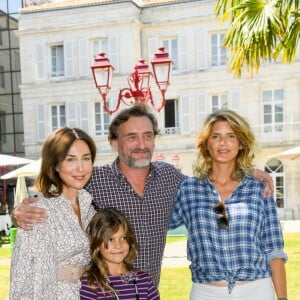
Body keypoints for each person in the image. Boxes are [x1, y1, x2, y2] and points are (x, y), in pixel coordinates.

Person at [12, 104, 274, 287]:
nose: (141, 144)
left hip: (148, 292)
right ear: (114, 143)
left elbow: (211, 184)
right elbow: (59, 192)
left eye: (147, 136)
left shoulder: (170, 178)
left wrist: (247, 169)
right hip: (102, 293)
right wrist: (24, 209)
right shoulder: (94, 179)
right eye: (132, 137)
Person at [169, 109, 287, 300]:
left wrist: (282, 297)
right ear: (207, 144)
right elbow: (158, 225)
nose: (223, 142)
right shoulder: (189, 189)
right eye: (216, 136)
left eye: (231, 136)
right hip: (206, 292)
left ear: (241, 144)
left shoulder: (259, 190)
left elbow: (274, 249)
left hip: (256, 291)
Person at [9, 127, 97, 299]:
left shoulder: (89, 208)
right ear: (55, 164)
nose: (80, 168)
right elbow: (22, 278)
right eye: (70, 159)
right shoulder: (39, 211)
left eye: (86, 158)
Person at [80, 207, 160, 299]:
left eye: (123, 238)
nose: (118, 245)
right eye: (110, 239)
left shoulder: (144, 280)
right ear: (97, 244)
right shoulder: (91, 284)